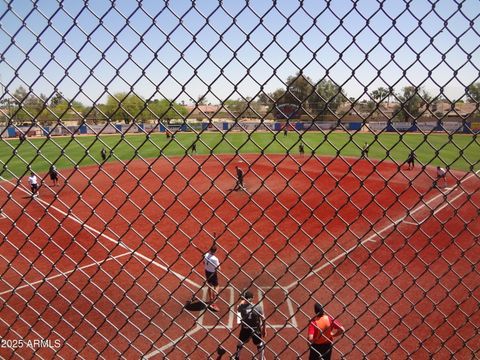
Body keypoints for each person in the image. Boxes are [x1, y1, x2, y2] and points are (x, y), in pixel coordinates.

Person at [234, 290, 266, 360]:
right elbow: (263, 319)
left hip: (245, 328)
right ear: (252, 298)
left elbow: (238, 309)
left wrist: (242, 302)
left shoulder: (241, 307)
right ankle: (261, 358)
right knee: (259, 344)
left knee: (240, 343)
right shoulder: (258, 307)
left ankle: (237, 356)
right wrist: (264, 330)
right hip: (256, 329)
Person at [204, 243, 221, 312]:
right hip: (213, 273)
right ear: (215, 251)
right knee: (217, 286)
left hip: (207, 272)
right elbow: (219, 268)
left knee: (209, 285)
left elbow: (203, 263)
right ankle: (214, 300)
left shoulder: (206, 255)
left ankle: (211, 299)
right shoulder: (215, 259)